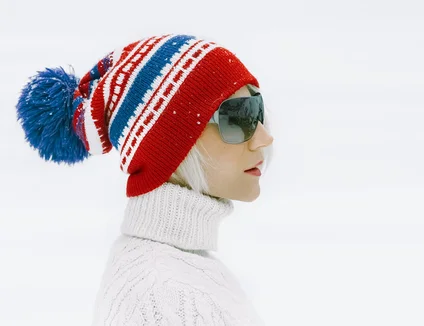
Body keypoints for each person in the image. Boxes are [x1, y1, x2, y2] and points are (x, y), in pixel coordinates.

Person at [15, 34, 274, 325]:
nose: (264, 137)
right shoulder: (161, 297)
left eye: (258, 111)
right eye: (240, 117)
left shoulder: (189, 272)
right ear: (170, 141)